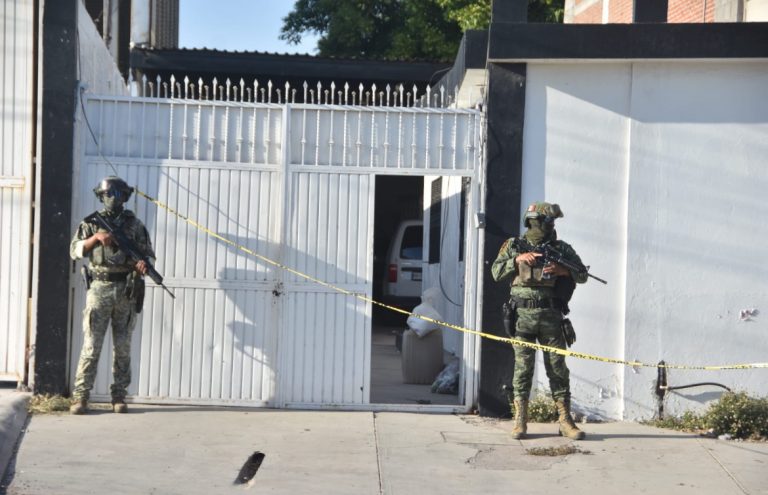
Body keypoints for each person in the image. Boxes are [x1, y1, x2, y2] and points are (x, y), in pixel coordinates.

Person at [491, 201, 587, 440]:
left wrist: (562, 271)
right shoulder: (514, 245)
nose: (550, 226)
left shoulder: (560, 248)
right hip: (522, 318)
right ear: (533, 222)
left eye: (552, 222)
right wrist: (517, 260)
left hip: (552, 318)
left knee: (557, 370)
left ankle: (565, 421)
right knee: (523, 370)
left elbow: (582, 274)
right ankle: (520, 421)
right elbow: (495, 272)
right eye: (546, 221)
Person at [69, 176, 154, 414]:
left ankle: (118, 396)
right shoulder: (91, 224)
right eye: (109, 194)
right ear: (100, 196)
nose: (113, 199)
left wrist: (144, 266)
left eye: (119, 195)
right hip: (99, 288)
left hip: (126, 289)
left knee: (123, 347)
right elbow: (75, 251)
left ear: (125, 197)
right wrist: (96, 238)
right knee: (91, 346)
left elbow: (149, 255)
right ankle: (81, 397)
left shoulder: (135, 225)